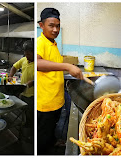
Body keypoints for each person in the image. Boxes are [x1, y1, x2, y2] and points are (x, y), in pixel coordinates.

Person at [37, 8, 83, 155]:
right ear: (41, 25)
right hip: (45, 103)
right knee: (43, 138)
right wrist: (67, 66)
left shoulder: (53, 44)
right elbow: (38, 64)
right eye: (51, 25)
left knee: (51, 131)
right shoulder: (40, 43)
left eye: (58, 26)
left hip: (56, 100)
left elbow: (53, 67)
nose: (56, 29)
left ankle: (52, 143)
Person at [8, 40, 34, 153]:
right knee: (23, 114)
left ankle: (30, 136)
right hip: (23, 93)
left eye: (29, 54)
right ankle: (23, 132)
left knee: (31, 117)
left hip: (33, 96)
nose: (27, 56)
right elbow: (14, 67)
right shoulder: (23, 60)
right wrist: (10, 76)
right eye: (25, 54)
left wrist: (32, 82)